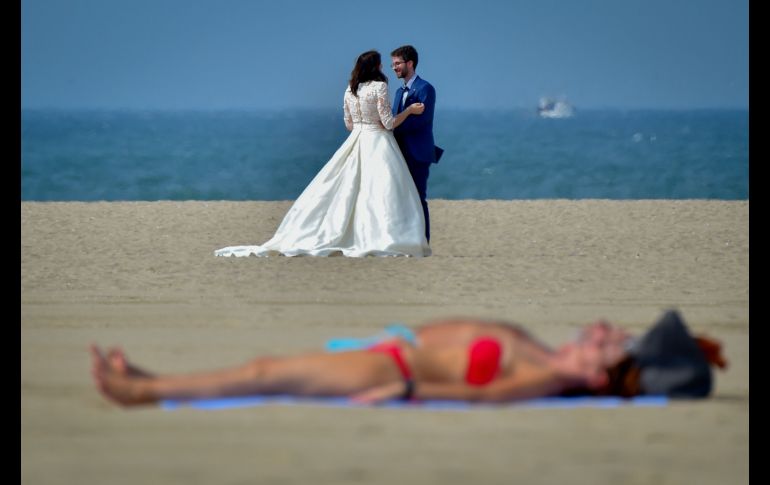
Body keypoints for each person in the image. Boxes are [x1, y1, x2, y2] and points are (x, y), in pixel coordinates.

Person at [90, 310, 726, 407]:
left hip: (393, 372)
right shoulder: (543, 353)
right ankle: (154, 382)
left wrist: (412, 393)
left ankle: (144, 391)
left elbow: (487, 396)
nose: (599, 328)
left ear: (595, 372)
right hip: (390, 356)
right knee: (263, 364)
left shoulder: (551, 373)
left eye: (607, 341)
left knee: (264, 372)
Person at [215, 50, 430, 258]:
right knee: (381, 191)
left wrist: (363, 124)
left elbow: (348, 124)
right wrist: (409, 111)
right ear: (375, 67)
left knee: (348, 188)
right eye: (382, 63)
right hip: (377, 141)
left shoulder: (350, 89)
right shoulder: (379, 86)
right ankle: (379, 235)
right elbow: (389, 123)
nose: (386, 67)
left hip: (356, 139)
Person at [390, 45, 442, 243]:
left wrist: (393, 127)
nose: (394, 67)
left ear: (409, 63)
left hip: (418, 153)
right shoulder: (397, 92)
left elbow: (422, 119)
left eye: (397, 63)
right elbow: (396, 117)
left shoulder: (425, 88)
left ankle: (423, 242)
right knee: (400, 199)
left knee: (418, 198)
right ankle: (405, 241)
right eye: (392, 64)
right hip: (398, 153)